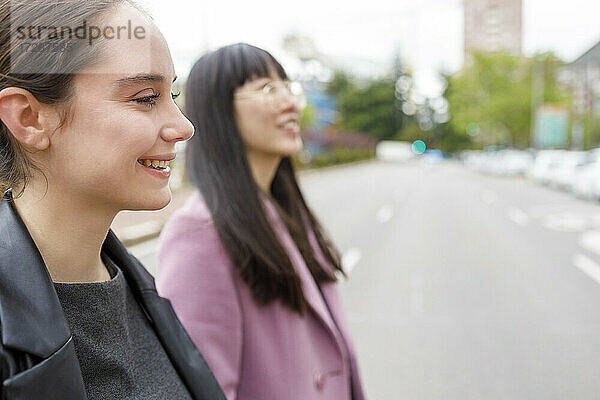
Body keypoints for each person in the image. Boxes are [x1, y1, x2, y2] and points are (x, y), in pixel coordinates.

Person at [0, 1, 225, 399]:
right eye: (144, 97)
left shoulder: (140, 290)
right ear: (29, 117)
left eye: (171, 93)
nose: (183, 126)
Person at [156, 43, 366, 400]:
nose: (292, 104)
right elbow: (204, 389)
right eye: (268, 89)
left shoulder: (287, 213)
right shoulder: (201, 233)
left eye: (288, 87)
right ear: (219, 110)